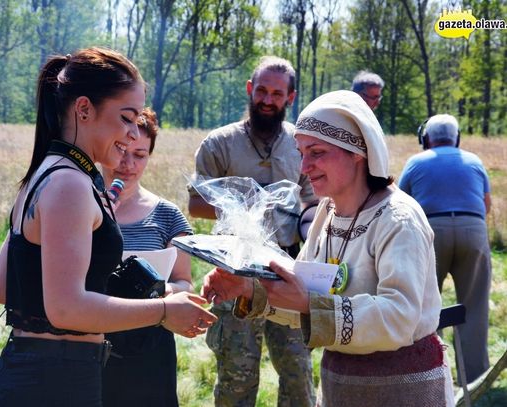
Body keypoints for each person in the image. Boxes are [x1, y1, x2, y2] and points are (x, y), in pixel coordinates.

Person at [0, 47, 216, 407]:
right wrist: (165, 310)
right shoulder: (71, 184)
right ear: (85, 109)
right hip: (53, 386)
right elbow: (66, 309)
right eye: (126, 118)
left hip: (38, 377)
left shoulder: (42, 175)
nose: (133, 134)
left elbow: (1, 287)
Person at [202, 90, 455, 407]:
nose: (304, 166)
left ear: (357, 152)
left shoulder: (397, 218)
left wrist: (310, 303)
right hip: (339, 384)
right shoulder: (327, 213)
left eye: (317, 152)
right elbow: (305, 296)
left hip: (403, 388)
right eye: (301, 152)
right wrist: (248, 288)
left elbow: (399, 316)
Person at [188, 56, 316, 406]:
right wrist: (242, 205)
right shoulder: (220, 143)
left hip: (287, 274)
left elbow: (313, 203)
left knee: (298, 376)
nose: (267, 100)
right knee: (236, 378)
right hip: (236, 274)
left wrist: (307, 224)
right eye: (261, 90)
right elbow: (195, 204)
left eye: (277, 93)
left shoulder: (301, 145)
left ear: (290, 98)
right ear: (250, 89)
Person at [101, 108, 193, 406]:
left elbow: (184, 283)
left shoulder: (168, 216)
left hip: (148, 346)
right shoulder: (79, 205)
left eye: (139, 155)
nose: (128, 164)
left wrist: (159, 290)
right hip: (89, 341)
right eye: (122, 151)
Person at [399, 114, 491, 384]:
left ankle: (427, 372)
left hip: (430, 232)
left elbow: (401, 204)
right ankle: (474, 380)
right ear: (457, 138)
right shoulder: (475, 161)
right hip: (473, 230)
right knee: (474, 306)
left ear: (425, 139)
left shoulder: (416, 162)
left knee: (425, 303)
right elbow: (486, 205)